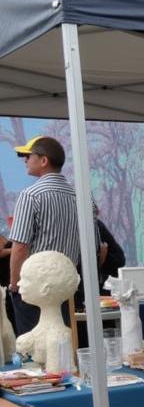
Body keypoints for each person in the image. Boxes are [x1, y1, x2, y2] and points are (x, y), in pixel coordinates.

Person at [8, 136, 84, 335]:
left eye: (28, 156)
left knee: (34, 353)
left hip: (36, 289)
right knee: (64, 346)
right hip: (66, 287)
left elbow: (20, 247)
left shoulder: (31, 195)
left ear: (44, 160)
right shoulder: (81, 196)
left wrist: (15, 285)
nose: (25, 160)